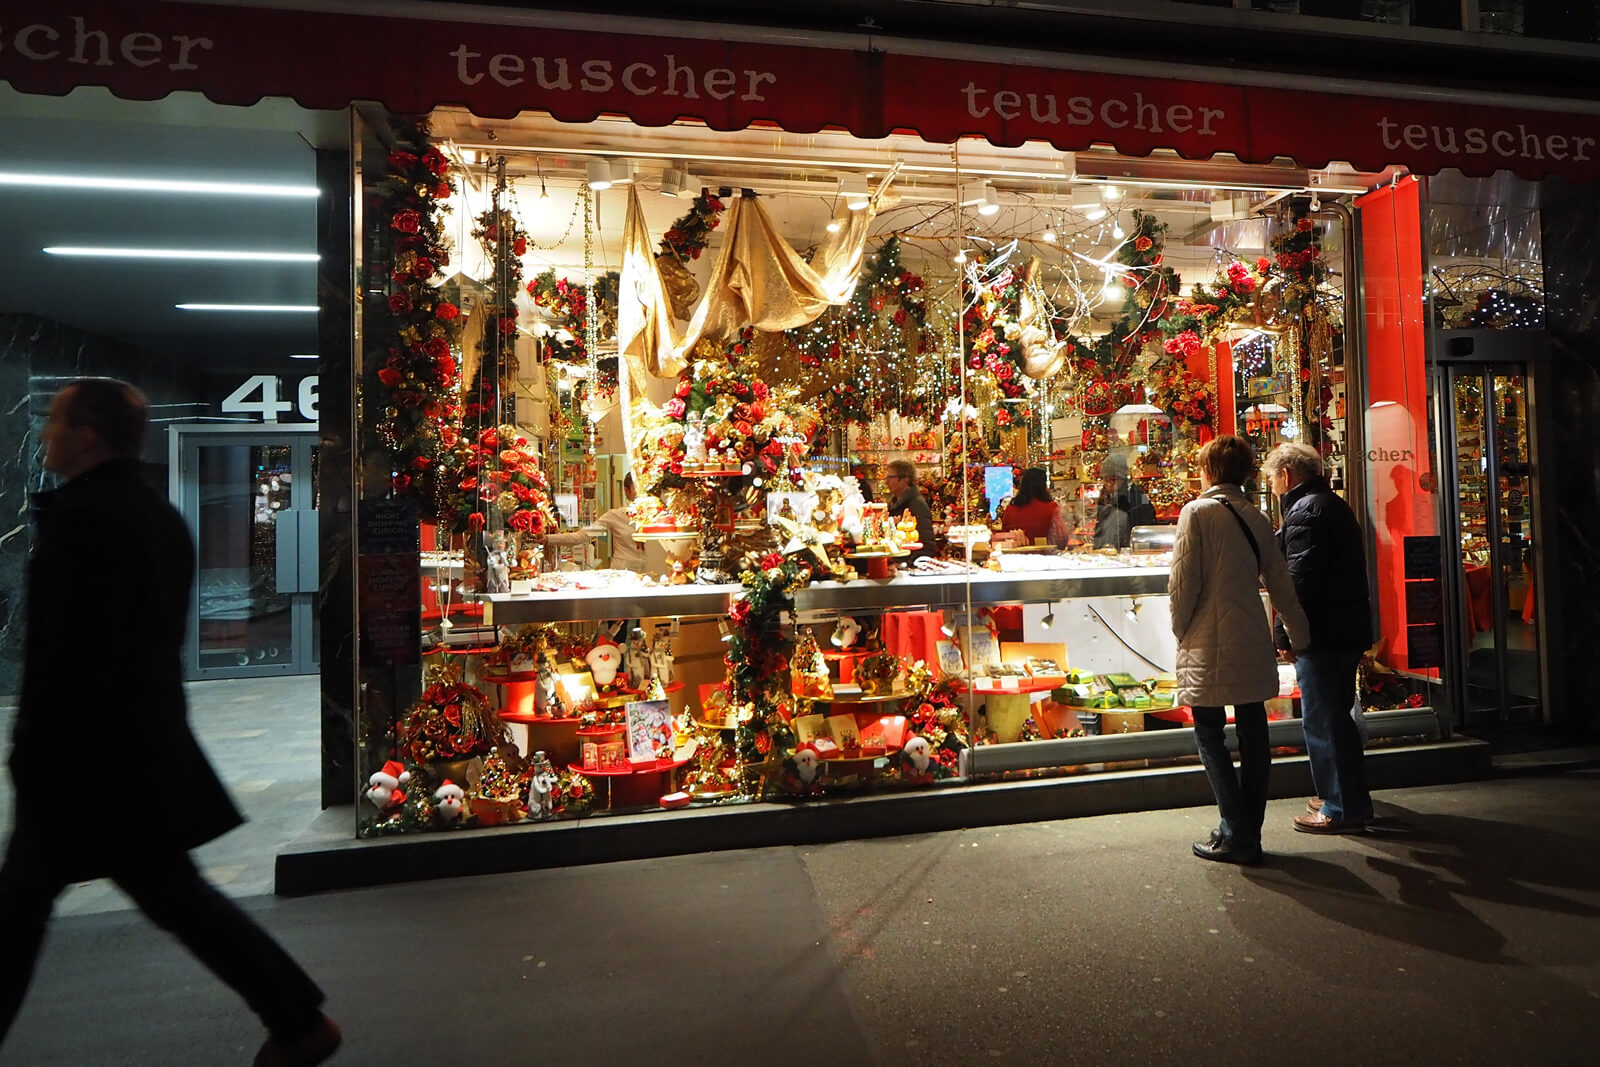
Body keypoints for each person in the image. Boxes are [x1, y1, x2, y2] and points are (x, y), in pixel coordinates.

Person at [0, 380, 340, 1066]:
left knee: (31, 910)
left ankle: (299, 1017)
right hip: (132, 750)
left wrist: (36, 748)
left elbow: (71, 652)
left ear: (89, 435)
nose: (44, 435)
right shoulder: (157, 516)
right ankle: (297, 1017)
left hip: (87, 761)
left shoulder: (83, 520)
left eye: (57, 422)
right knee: (163, 896)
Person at [1168, 434, 1309, 866]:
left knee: (1209, 733)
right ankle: (1250, 830)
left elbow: (1183, 583)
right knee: (1254, 733)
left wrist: (1179, 629)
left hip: (1206, 638)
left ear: (1209, 470)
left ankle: (1235, 831)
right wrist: (1299, 634)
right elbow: (1280, 581)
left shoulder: (1196, 512)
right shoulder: (1257, 515)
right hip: (1250, 631)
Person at [1263, 442, 1375, 834]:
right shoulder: (1325, 504)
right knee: (1335, 715)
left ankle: (1341, 805)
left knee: (1325, 720)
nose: (1273, 485)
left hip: (1323, 632)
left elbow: (1300, 581)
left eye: (1273, 478)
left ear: (1287, 474)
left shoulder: (1306, 511)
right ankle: (1344, 795)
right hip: (1340, 626)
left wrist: (1284, 631)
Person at [1093, 452, 1156, 550]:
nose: (1109, 484)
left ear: (1123, 478)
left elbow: (1144, 530)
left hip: (1129, 550)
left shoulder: (1137, 497)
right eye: (1105, 480)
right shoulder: (1105, 497)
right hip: (1108, 551)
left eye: (1113, 480)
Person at [999, 467, 1068, 549]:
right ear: (1043, 485)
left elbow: (1003, 537)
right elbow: (1061, 538)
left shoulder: (1010, 509)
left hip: (1015, 557)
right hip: (1045, 557)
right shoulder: (1051, 508)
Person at [884, 458, 935, 560]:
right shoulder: (895, 504)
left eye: (890, 477)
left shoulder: (917, 505)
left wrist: (908, 564)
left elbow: (927, 546)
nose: (886, 482)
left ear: (905, 479)